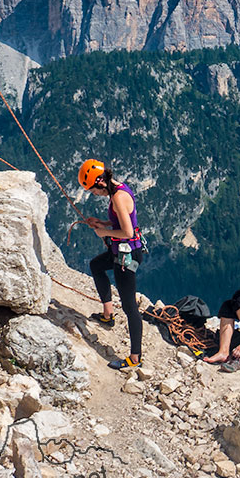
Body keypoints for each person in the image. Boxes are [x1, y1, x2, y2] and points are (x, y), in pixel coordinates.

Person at [79, 158, 145, 370]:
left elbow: (126, 232)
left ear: (99, 182)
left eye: (92, 190)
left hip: (126, 256)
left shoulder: (117, 197)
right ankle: (108, 315)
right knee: (96, 266)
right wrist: (103, 223)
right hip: (124, 251)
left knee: (129, 306)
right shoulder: (119, 189)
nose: (94, 194)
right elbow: (124, 221)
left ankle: (135, 358)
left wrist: (104, 231)